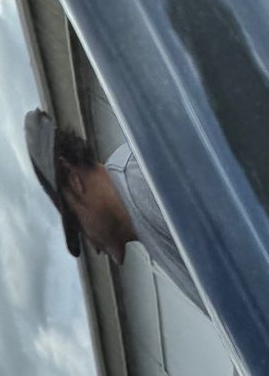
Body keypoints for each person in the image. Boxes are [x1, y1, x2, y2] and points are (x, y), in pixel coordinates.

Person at [24, 107, 199, 304]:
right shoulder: (136, 204)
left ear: (73, 179)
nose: (94, 247)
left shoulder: (144, 183)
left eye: (77, 225)